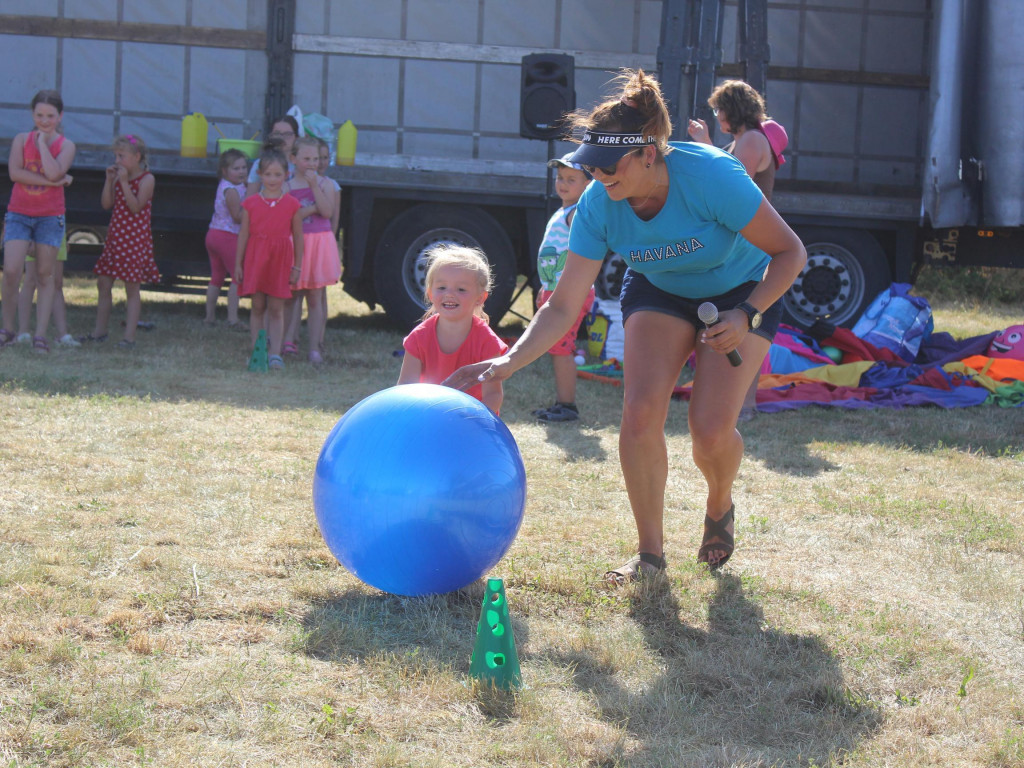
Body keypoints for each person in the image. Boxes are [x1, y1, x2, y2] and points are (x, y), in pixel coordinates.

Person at [445, 69, 806, 581]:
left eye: (610, 167)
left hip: (742, 289)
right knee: (639, 413)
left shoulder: (712, 175)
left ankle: (720, 502)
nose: (599, 179)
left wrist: (746, 314)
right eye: (592, 169)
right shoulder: (597, 205)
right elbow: (562, 306)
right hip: (660, 290)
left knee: (709, 430)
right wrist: (508, 361)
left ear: (649, 154)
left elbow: (791, 252)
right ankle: (650, 556)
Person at [688, 80, 789, 419]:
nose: (716, 117)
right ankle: (744, 403)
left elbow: (730, 185)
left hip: (749, 243)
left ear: (732, 109)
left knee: (748, 323)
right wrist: (705, 144)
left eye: (718, 110)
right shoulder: (746, 139)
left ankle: (745, 404)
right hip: (746, 240)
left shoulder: (750, 140)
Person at [2, 89, 76, 352]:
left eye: (50, 116)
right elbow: (15, 173)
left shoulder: (66, 145)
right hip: (19, 213)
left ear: (60, 116)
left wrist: (43, 144)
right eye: (40, 115)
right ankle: (8, 329)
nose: (44, 120)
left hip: (49, 216)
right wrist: (51, 182)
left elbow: (56, 172)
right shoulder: (21, 139)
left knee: (46, 275)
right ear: (32, 114)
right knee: (11, 270)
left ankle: (40, 335)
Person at [398, 244, 508, 414]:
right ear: (430, 293)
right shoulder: (418, 337)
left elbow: (493, 395)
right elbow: (405, 389)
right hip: (428, 416)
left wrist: (476, 423)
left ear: (480, 298)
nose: (449, 294)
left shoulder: (487, 342)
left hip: (471, 421)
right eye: (441, 287)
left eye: (461, 289)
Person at [531, 152, 596, 422]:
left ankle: (567, 406)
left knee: (561, 348)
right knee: (558, 347)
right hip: (556, 289)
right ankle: (562, 402)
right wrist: (545, 287)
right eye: (560, 178)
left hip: (570, 292)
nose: (563, 183)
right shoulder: (563, 211)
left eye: (572, 179)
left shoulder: (577, 214)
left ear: (587, 185)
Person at [81, 134, 158, 349]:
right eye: (116, 156)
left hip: (134, 240)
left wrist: (124, 182)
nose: (117, 161)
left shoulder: (147, 179)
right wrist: (110, 181)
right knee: (103, 282)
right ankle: (100, 332)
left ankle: (129, 338)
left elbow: (136, 207)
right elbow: (106, 204)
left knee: (131, 289)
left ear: (136, 157)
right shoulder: (117, 177)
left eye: (121, 156)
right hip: (116, 238)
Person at [235, 144, 304, 370]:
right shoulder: (250, 204)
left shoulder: (292, 205)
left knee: (276, 306)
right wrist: (238, 264)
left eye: (277, 174)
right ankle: (258, 350)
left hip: (280, 261)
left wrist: (297, 267)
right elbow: (243, 234)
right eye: (267, 174)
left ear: (286, 175)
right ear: (260, 175)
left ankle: (276, 353)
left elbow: (298, 237)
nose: (272, 179)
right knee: (256, 305)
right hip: (256, 259)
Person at [282, 136, 340, 365]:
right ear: (293, 159)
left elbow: (327, 212)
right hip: (297, 244)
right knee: (291, 295)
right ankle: (288, 340)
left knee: (315, 297)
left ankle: (315, 346)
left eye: (315, 158)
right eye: (306, 158)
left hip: (319, 244)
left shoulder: (325, 184)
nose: (312, 163)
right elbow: (289, 217)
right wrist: (310, 210)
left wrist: (314, 187)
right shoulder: (287, 186)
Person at [204, 148, 249, 328]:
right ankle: (232, 318)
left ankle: (209, 317)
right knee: (237, 277)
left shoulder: (226, 185)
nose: (241, 171)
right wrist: (250, 209)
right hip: (228, 236)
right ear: (225, 171)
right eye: (236, 168)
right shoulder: (232, 191)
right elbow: (237, 216)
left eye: (244, 167)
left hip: (213, 234)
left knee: (217, 276)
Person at [17, 238, 80, 347]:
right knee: (31, 280)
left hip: (57, 233)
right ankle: (23, 333)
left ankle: (62, 335)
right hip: (36, 232)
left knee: (57, 283)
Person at [246, 116, 297, 195]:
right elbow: (249, 199)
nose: (282, 138)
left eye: (288, 134)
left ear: (296, 137)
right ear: (271, 136)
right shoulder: (260, 163)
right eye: (277, 133)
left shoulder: (303, 163)